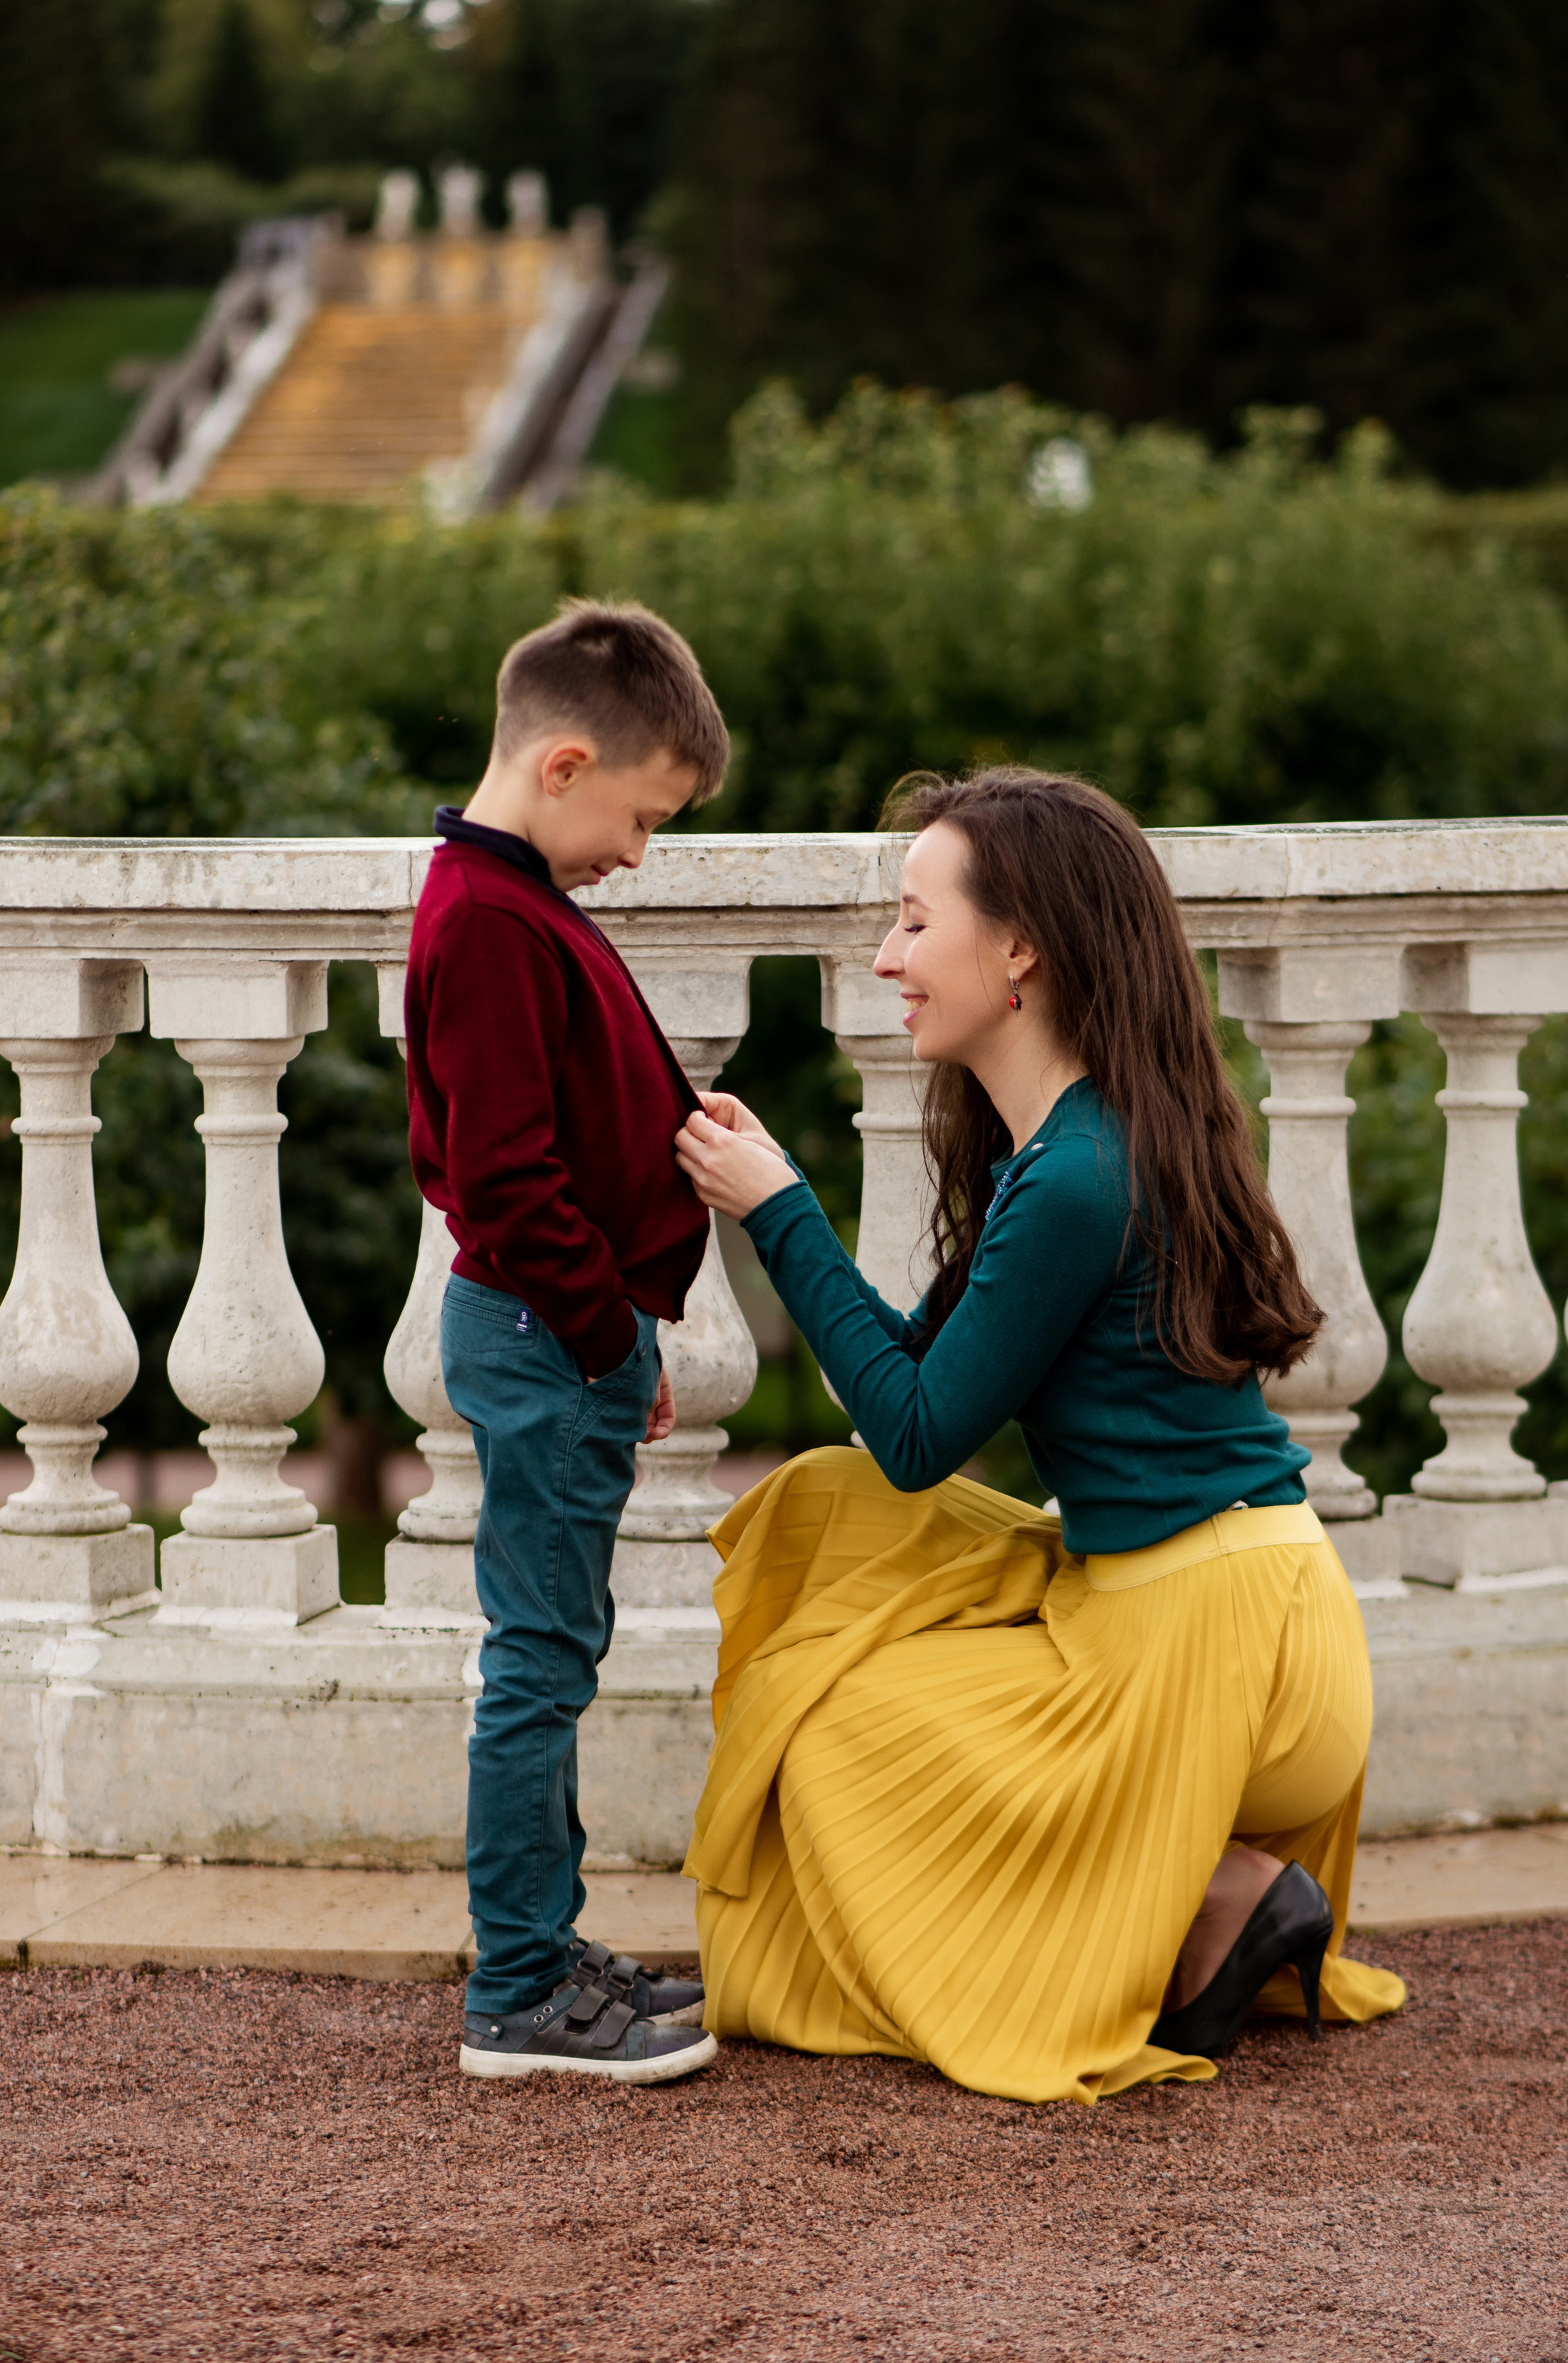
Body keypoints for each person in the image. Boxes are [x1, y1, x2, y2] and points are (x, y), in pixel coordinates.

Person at [673, 766, 1406, 2106]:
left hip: (1205, 1652)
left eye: (911, 921)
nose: (888, 958)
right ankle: (1211, 1899)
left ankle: (1219, 1891)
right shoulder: (1080, 1145)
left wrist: (780, 1214)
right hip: (1254, 1610)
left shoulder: (1076, 1173)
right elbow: (919, 1386)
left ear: (1019, 949)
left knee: (836, 1729)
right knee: (830, 1511)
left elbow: (917, 1434)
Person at [404, 599, 729, 2085]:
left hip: (563, 1334)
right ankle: (519, 1989)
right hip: (546, 1334)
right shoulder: (483, 917)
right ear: (563, 761)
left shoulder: (509, 899)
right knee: (538, 1659)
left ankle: (541, 1942)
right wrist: (607, 1334)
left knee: (557, 1646)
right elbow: (503, 1177)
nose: (637, 851)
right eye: (639, 815)